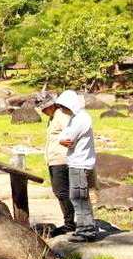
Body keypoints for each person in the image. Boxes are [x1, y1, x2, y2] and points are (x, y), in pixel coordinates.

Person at [53, 89, 99, 242]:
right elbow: (63, 135)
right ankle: (84, 228)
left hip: (80, 163)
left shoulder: (81, 119)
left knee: (79, 197)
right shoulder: (75, 118)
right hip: (76, 162)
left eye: (64, 107)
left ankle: (86, 230)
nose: (62, 110)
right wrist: (62, 138)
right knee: (77, 197)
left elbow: (68, 137)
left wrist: (62, 139)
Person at [35, 92, 74, 235]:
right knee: (60, 192)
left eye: (45, 108)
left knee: (62, 192)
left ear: (52, 105)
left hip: (62, 160)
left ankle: (70, 224)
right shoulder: (53, 118)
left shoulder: (61, 116)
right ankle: (70, 222)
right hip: (55, 160)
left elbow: (72, 133)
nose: (43, 111)